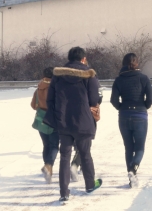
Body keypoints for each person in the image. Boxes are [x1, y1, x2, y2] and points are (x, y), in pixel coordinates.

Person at [44, 47, 102, 205]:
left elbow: (50, 99)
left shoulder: (58, 75)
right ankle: (90, 185)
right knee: (85, 154)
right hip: (83, 121)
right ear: (83, 59)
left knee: (64, 156)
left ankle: (64, 193)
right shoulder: (90, 74)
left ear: (69, 59)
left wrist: (57, 116)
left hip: (63, 122)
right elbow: (94, 99)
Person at [110, 53, 152, 188]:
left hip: (124, 115)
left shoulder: (119, 80)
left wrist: (121, 107)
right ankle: (133, 168)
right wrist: (144, 106)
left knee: (128, 148)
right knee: (140, 147)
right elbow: (151, 97)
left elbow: (113, 100)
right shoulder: (143, 78)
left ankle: (131, 179)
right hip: (140, 115)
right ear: (137, 63)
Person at [30, 67, 59, 184]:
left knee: (46, 145)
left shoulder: (38, 88)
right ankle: (48, 165)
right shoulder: (56, 88)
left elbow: (33, 105)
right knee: (54, 145)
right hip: (53, 119)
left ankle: (48, 168)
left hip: (41, 119)